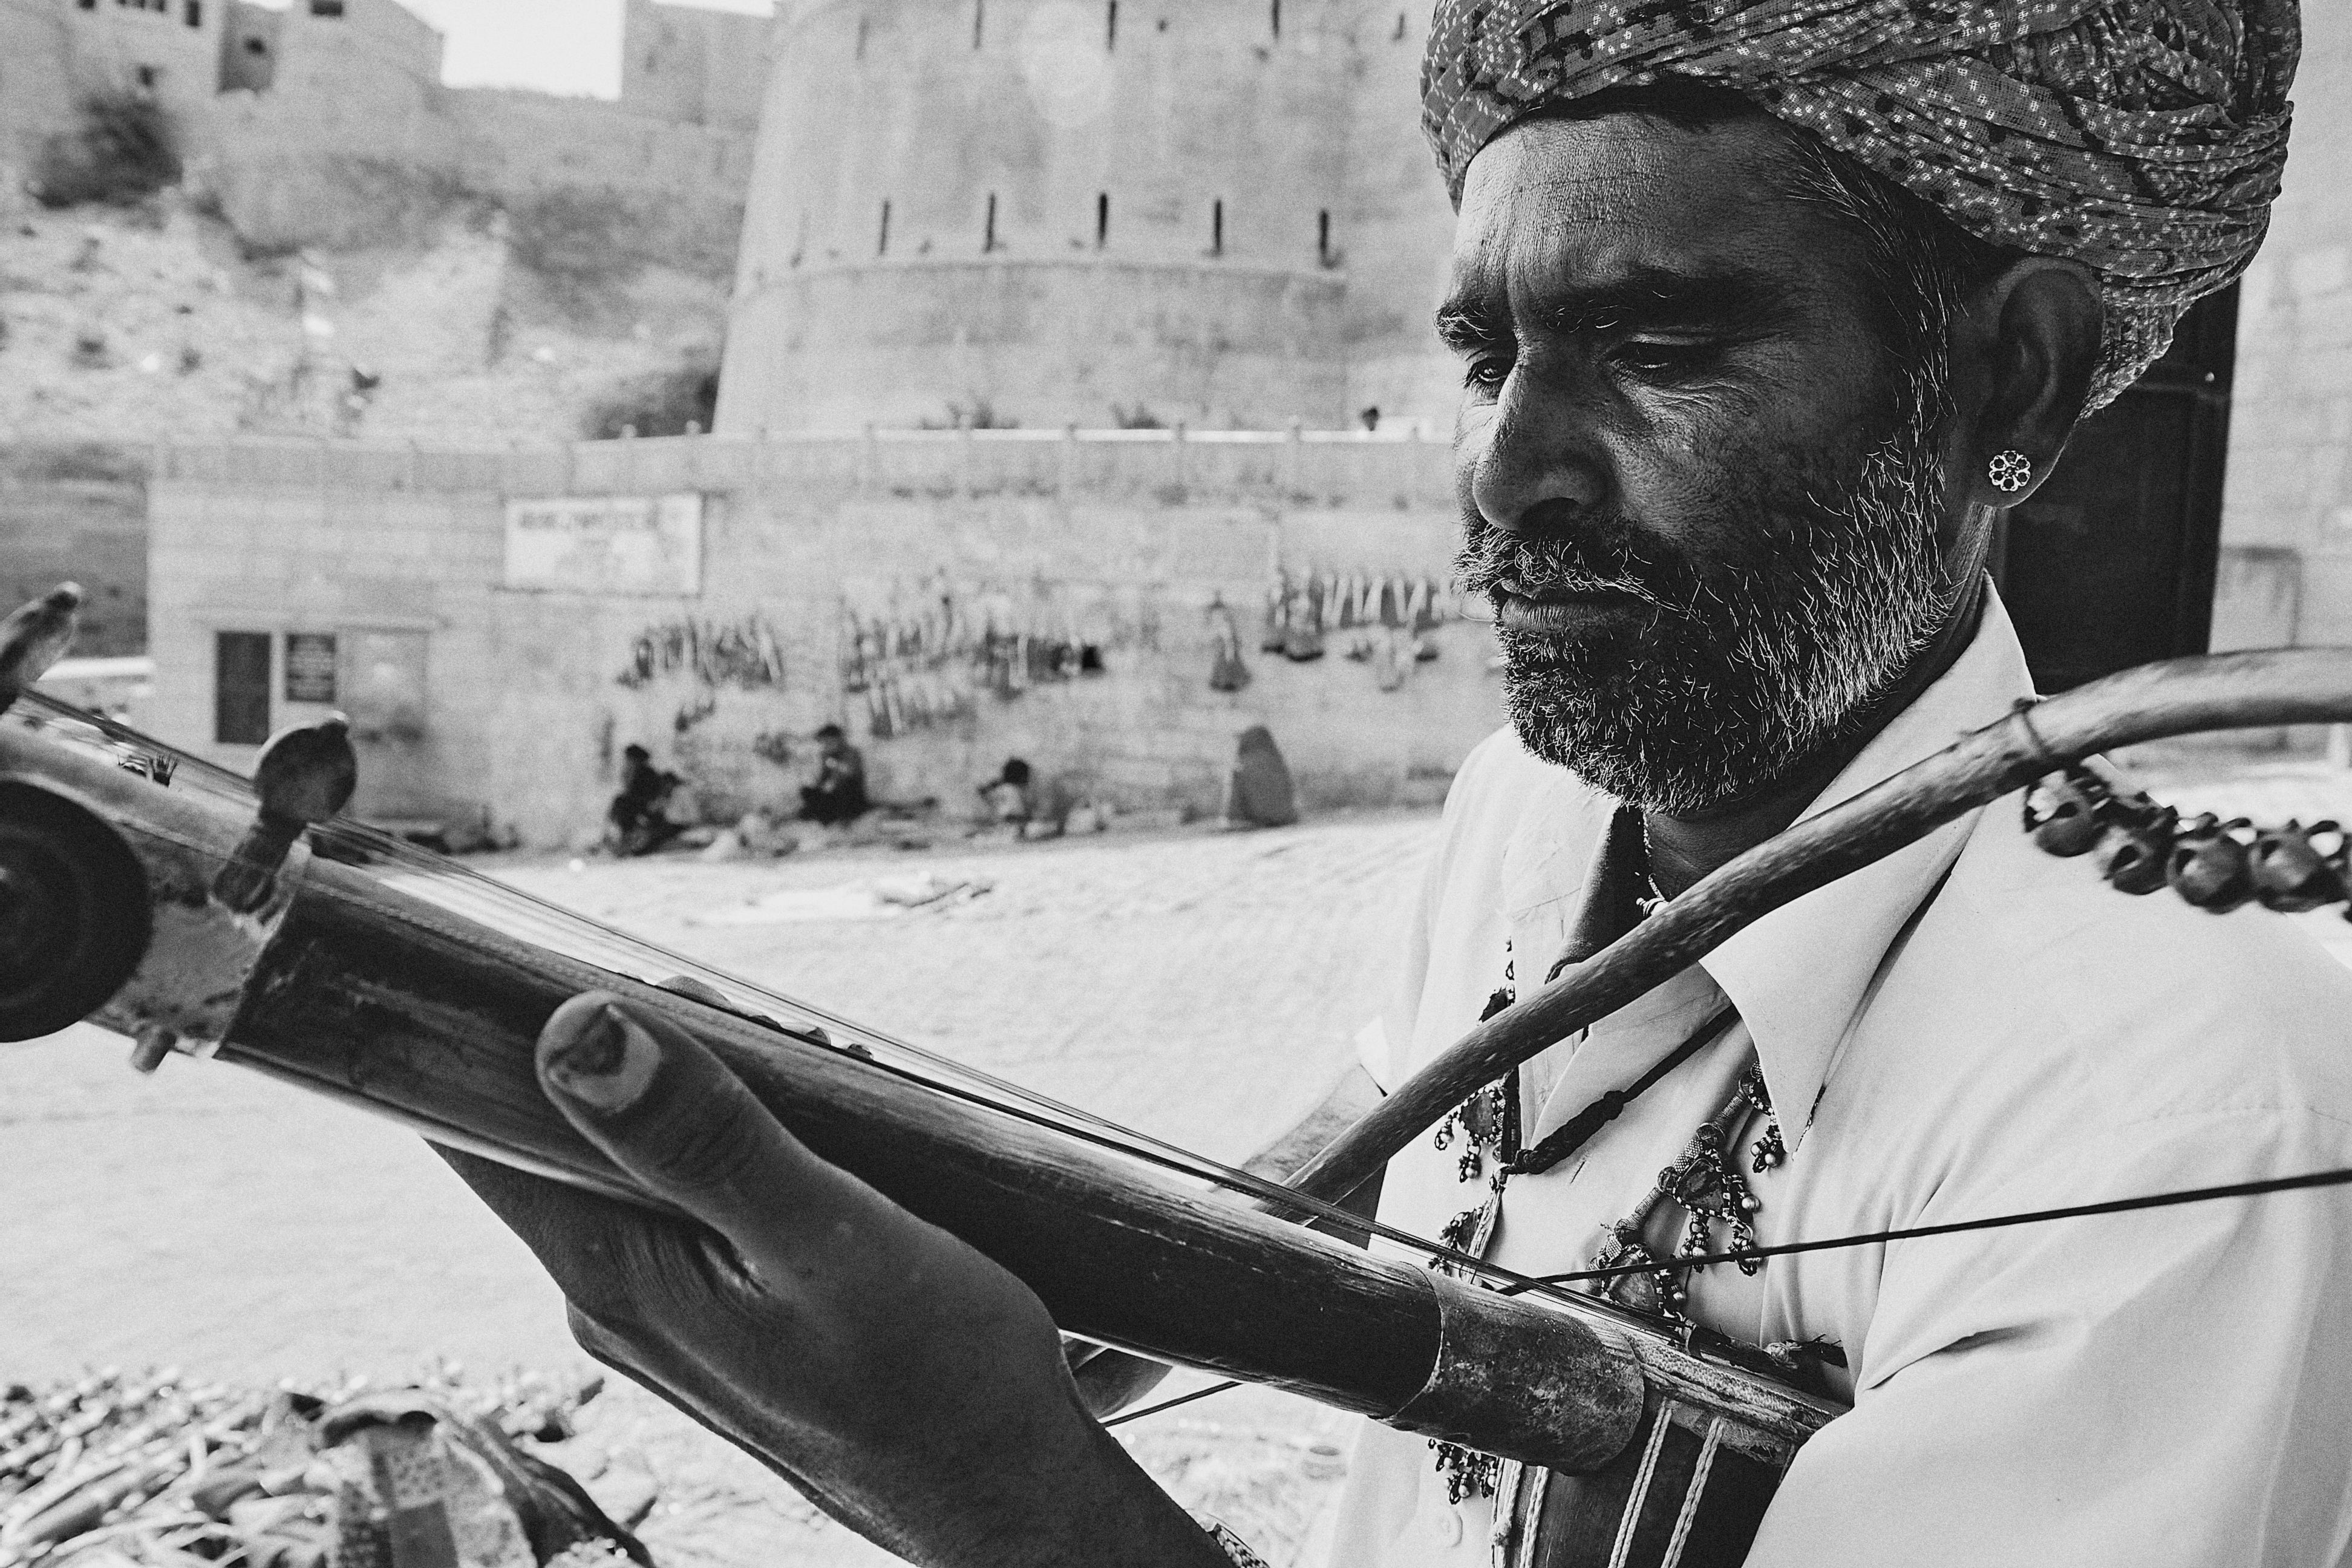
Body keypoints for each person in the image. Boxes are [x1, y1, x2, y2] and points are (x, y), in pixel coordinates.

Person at [444, 2, 2348, 1564]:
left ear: (2009, 382)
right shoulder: (1524, 815)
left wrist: (987, 1489)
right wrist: (1052, 1272)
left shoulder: (2185, 1111)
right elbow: (1372, 1135)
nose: (1509, 477)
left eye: (1654, 349)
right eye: (1487, 358)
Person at [605, 744, 684, 857]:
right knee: (621, 804)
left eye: (629, 759)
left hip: (647, 813)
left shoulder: (646, 775)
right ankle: (621, 840)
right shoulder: (635, 774)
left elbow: (650, 799)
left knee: (621, 804)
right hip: (639, 812)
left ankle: (625, 842)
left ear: (636, 760)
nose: (627, 762)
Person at [796, 723, 869, 827]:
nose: (826, 746)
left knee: (846, 789)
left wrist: (835, 767)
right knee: (807, 791)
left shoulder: (851, 753)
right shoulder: (826, 755)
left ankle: (835, 816)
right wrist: (819, 786)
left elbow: (851, 773)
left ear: (839, 739)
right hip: (832, 794)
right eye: (824, 743)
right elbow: (824, 777)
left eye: (829, 742)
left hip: (849, 795)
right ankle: (820, 813)